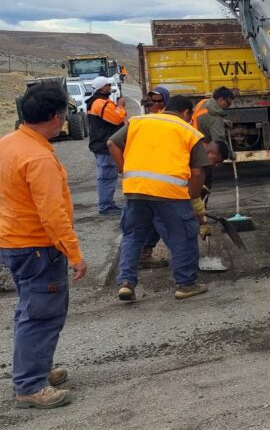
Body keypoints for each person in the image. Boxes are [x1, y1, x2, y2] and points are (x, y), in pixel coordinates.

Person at [0, 81, 87, 409]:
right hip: (37, 246)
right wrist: (74, 254)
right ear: (56, 116)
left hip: (14, 242)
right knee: (41, 315)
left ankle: (36, 368)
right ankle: (30, 385)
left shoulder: (8, 143)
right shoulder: (38, 158)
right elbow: (53, 214)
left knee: (30, 309)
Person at [107, 95, 209, 301]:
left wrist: (124, 169)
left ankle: (126, 283)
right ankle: (185, 284)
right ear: (186, 113)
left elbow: (111, 143)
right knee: (182, 236)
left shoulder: (139, 121)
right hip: (170, 193)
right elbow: (197, 173)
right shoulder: (189, 131)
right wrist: (194, 198)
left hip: (136, 189)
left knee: (133, 235)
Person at [86, 76, 127, 216]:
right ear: (102, 88)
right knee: (107, 176)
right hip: (104, 145)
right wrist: (121, 106)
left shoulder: (99, 102)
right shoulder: (100, 103)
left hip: (102, 144)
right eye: (107, 85)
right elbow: (116, 118)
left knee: (108, 175)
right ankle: (106, 206)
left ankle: (107, 205)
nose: (110, 87)